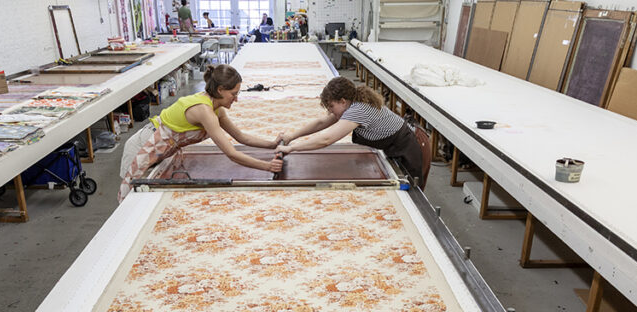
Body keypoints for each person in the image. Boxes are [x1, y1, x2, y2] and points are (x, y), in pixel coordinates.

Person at [118, 65, 283, 199]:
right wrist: (268, 166)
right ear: (220, 90)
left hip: (161, 149)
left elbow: (241, 137)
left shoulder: (216, 108)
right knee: (131, 200)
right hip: (143, 147)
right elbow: (231, 153)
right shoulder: (204, 110)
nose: (236, 99)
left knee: (144, 196)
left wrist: (273, 145)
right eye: (233, 94)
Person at [276, 76, 426, 186]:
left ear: (342, 101)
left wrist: (292, 148)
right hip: (398, 144)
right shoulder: (350, 105)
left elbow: (326, 139)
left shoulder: (358, 109)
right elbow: (321, 122)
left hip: (408, 149)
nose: (330, 111)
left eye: (331, 107)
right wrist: (291, 136)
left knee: (410, 191)